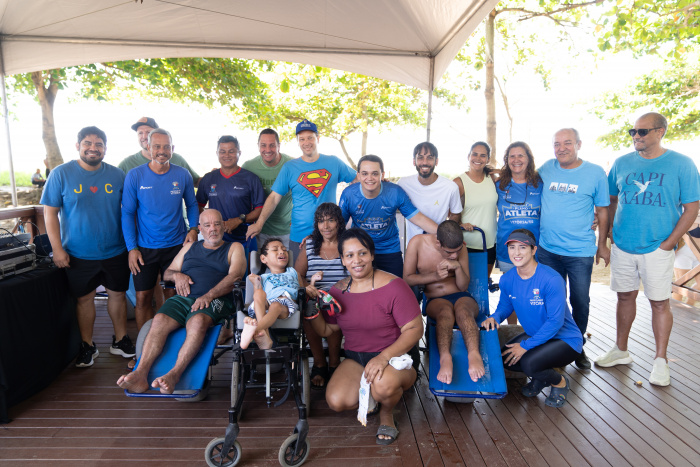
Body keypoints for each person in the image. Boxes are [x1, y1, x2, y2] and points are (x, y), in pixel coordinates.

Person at [595, 112, 700, 386]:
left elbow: (691, 208)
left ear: (660, 132)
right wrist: (607, 239)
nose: (636, 137)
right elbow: (610, 202)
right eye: (633, 132)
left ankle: (661, 361)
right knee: (625, 297)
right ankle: (621, 350)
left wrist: (668, 243)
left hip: (658, 247)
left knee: (659, 302)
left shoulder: (682, 164)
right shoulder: (621, 163)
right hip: (624, 246)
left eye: (643, 132)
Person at [305, 228, 423, 445]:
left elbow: (415, 330)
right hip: (356, 358)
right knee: (336, 400)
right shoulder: (338, 291)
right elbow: (328, 330)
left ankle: (387, 413)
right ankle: (374, 399)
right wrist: (311, 308)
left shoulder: (394, 285)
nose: (356, 260)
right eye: (349, 255)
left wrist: (383, 357)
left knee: (384, 384)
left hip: (396, 358)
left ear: (372, 255)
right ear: (342, 259)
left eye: (362, 253)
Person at [116, 209, 246, 394]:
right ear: (200, 228)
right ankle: (140, 374)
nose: (213, 229)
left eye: (217, 224)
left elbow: (236, 275)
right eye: (207, 225)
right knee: (159, 320)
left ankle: (174, 374)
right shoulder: (189, 248)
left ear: (224, 225)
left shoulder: (234, 248)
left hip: (216, 299)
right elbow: (168, 273)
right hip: (183, 298)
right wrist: (178, 276)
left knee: (197, 321)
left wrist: (208, 295)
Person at [41, 126, 135, 368]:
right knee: (85, 299)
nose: (93, 148)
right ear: (78, 146)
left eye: (99, 144)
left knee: (117, 295)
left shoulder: (117, 175)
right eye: (88, 143)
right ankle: (87, 344)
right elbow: (50, 214)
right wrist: (57, 249)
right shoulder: (60, 174)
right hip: (78, 253)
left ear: (105, 148)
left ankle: (121, 339)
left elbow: (130, 211)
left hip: (116, 249)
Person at [482, 229, 583, 408]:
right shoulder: (508, 279)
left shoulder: (551, 279)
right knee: (506, 358)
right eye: (512, 247)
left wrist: (525, 346)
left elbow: (555, 322)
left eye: (522, 247)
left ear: (534, 250)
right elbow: (505, 306)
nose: (517, 253)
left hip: (565, 340)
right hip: (537, 335)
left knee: (529, 363)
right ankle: (540, 377)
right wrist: (494, 317)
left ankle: (559, 382)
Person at [537, 128, 610, 370]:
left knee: (580, 300)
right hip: (547, 249)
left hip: (579, 252)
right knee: (552, 300)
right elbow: (521, 177)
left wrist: (602, 245)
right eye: (556, 144)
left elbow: (602, 210)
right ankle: (552, 344)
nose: (561, 148)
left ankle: (576, 346)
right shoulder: (546, 168)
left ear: (579, 144)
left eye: (567, 143)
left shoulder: (595, 173)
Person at [121, 128, 199, 332]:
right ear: (148, 147)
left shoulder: (182, 174)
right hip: (144, 248)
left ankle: (172, 343)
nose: (161, 150)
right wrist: (132, 248)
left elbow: (191, 204)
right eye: (157, 146)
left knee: (174, 296)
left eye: (166, 146)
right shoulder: (135, 175)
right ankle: (144, 345)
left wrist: (194, 229)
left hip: (176, 246)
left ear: (172, 149)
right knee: (143, 297)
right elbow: (127, 213)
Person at [246, 119, 356, 252]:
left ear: (318, 138)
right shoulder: (290, 167)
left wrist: (377, 181)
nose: (306, 142)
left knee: (332, 272)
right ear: (298, 141)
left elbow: (357, 179)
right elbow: (274, 198)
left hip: (330, 234)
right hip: (299, 235)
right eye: (302, 139)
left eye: (310, 138)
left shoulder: (334, 162)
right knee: (298, 273)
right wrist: (259, 223)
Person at [403, 220, 484, 384]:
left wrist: (458, 268)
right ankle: (445, 357)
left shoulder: (460, 249)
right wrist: (435, 276)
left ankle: (474, 353)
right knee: (445, 314)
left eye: (457, 251)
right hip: (435, 299)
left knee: (463, 312)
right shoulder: (417, 243)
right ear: (438, 242)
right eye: (449, 252)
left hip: (460, 295)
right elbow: (407, 279)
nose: (454, 255)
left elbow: (463, 286)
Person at [339, 155, 437, 277]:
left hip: (389, 249)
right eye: (365, 174)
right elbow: (338, 226)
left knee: (397, 288)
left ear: (382, 175)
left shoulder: (395, 192)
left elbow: (418, 217)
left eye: (375, 174)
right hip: (360, 250)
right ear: (358, 175)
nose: (369, 178)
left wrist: (445, 234)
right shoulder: (348, 194)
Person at [294, 203, 348, 389]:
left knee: (332, 309)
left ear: (339, 222)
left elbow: (357, 272)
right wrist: (307, 287)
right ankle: (319, 363)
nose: (325, 226)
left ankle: (334, 363)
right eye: (321, 221)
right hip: (314, 294)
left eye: (331, 220)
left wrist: (341, 288)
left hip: (341, 296)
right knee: (308, 309)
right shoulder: (310, 244)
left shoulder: (347, 243)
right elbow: (298, 274)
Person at [196, 135, 264, 245]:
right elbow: (198, 206)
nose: (227, 155)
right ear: (217, 153)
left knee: (241, 262)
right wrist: (210, 223)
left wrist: (238, 220)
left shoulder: (251, 179)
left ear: (239, 153)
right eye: (222, 151)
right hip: (215, 240)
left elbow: (260, 210)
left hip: (244, 239)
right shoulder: (208, 178)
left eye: (231, 151)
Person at [240, 238, 300, 350]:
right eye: (275, 250)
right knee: (258, 294)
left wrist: (312, 283)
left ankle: (255, 329)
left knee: (275, 305)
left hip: (286, 303)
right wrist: (256, 283)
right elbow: (259, 297)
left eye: (284, 249)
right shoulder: (262, 277)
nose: (282, 251)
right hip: (266, 303)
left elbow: (303, 289)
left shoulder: (292, 272)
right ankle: (265, 336)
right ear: (263, 258)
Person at [398, 142, 462, 245]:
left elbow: (456, 213)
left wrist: (448, 234)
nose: (425, 162)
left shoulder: (450, 187)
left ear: (436, 161)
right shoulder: (403, 183)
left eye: (430, 158)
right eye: (420, 157)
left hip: (439, 243)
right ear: (414, 161)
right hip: (413, 246)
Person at [241, 128, 294, 248]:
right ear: (258, 146)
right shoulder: (249, 166)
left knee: (290, 267)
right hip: (260, 230)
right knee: (259, 266)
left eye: (272, 145)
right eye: (263, 145)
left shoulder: (292, 164)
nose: (268, 150)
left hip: (288, 230)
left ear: (279, 146)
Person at [495, 142, 543, 274]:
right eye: (512, 156)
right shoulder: (498, 185)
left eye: (520, 155)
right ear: (507, 160)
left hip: (535, 249)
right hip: (507, 248)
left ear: (529, 158)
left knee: (534, 291)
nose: (516, 160)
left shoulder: (540, 184)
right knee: (511, 290)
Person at [453, 142, 498, 279]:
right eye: (475, 154)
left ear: (488, 159)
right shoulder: (459, 182)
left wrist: (499, 171)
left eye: (483, 155)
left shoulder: (492, 178)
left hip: (489, 243)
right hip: (467, 244)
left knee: (482, 288)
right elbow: (451, 217)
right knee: (466, 287)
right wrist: (461, 224)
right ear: (469, 156)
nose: (478, 158)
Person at [118, 117, 200, 183]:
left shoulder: (177, 160)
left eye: (148, 132)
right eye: (140, 133)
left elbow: (196, 181)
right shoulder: (127, 164)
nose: (144, 136)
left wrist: (212, 175)